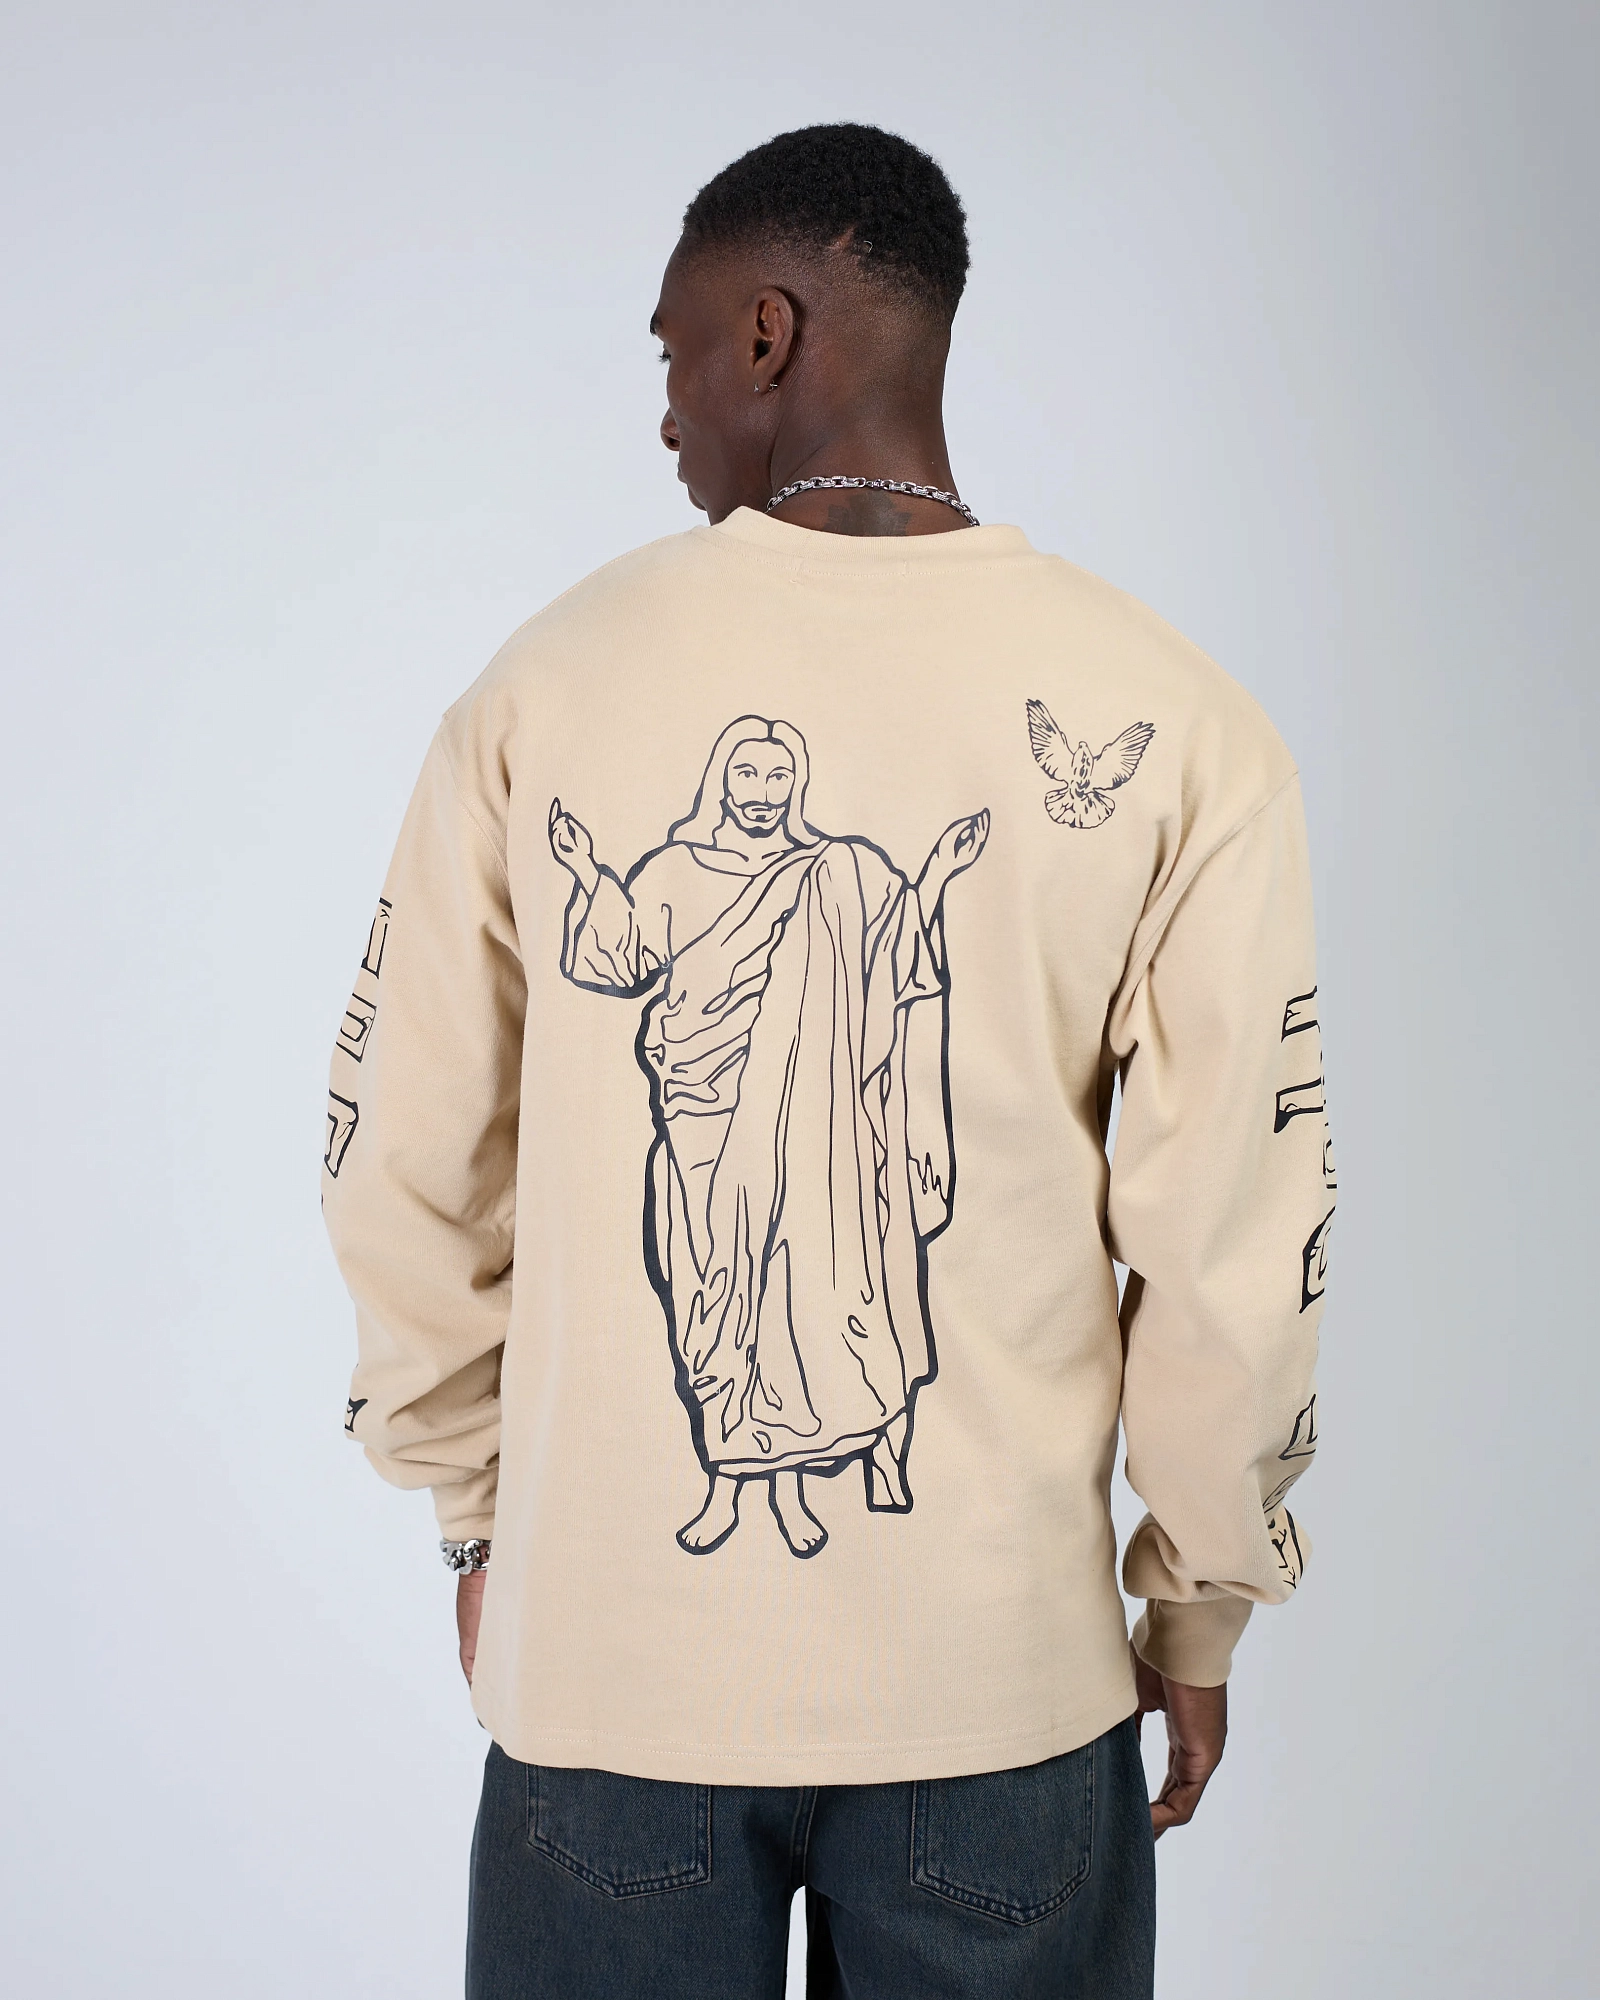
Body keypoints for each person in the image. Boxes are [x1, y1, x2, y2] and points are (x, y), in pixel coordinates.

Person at [323, 123, 1331, 2000]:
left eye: (673, 353)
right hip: (1004, 1700)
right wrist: (1197, 1604)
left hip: (611, 1679)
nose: (665, 412)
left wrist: (476, 1512)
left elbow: (406, 1158)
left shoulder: (545, 685)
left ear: (768, 334)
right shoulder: (1182, 720)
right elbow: (1235, 1246)